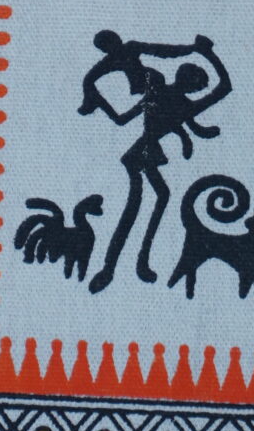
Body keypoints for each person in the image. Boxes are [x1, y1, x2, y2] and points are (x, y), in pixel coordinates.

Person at [78, 30, 232, 291]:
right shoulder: (172, 98)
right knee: (140, 203)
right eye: (198, 84)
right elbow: (223, 87)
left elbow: (124, 118)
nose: (198, 88)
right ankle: (117, 266)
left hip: (143, 152)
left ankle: (129, 263)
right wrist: (207, 53)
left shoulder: (163, 94)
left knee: (156, 197)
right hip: (143, 153)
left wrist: (101, 105)